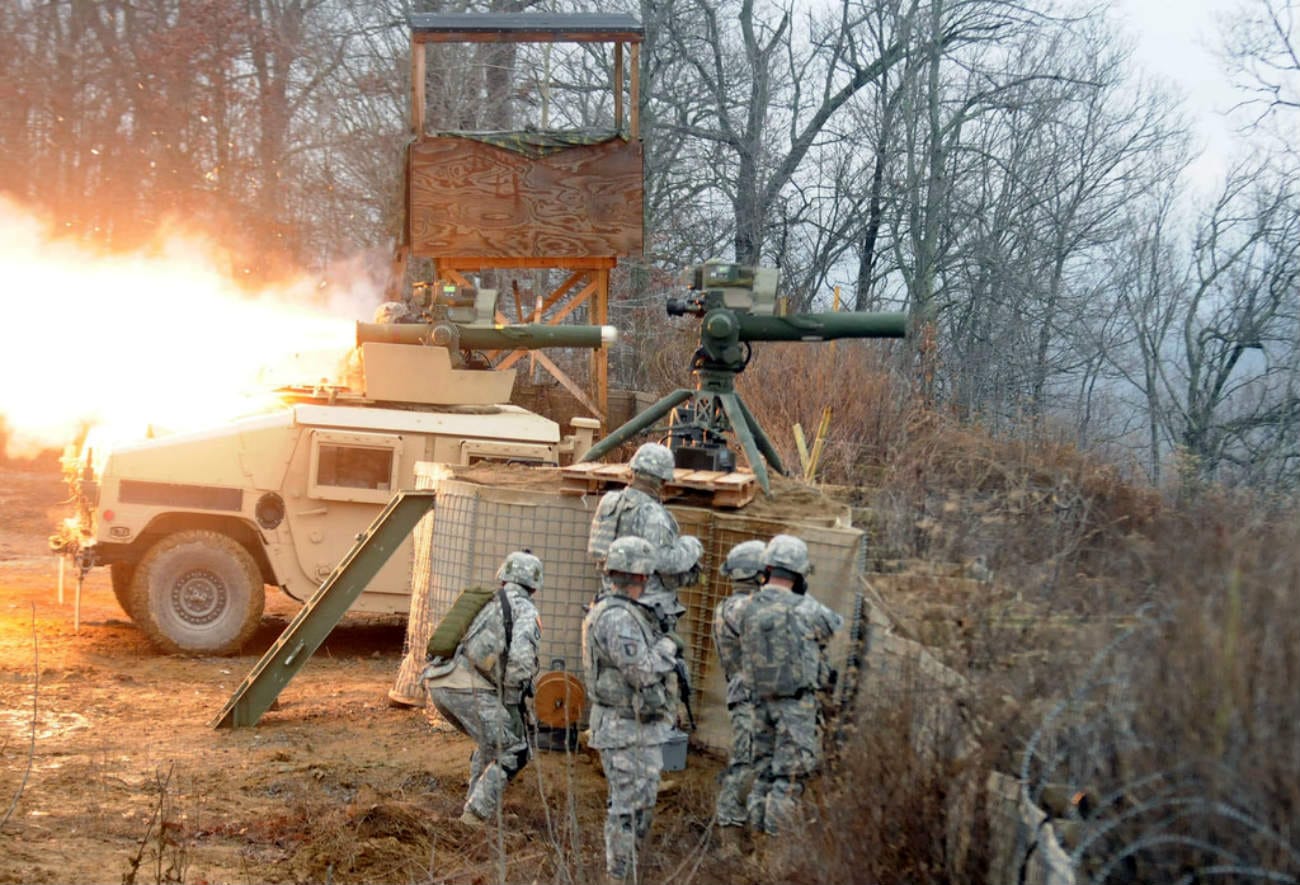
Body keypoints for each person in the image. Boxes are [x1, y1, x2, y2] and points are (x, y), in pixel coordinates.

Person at [582, 536, 681, 885]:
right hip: (624, 729)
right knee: (627, 811)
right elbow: (641, 672)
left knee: (638, 807)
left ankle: (628, 873)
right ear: (642, 575)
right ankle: (619, 877)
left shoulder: (621, 611)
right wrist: (669, 646)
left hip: (632, 727)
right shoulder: (617, 618)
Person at [423, 551, 543, 826]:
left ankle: (475, 807)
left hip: (441, 682)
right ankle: (474, 816)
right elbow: (521, 663)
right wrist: (513, 706)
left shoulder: (488, 602)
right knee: (515, 749)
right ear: (535, 586)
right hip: (469, 689)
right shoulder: (526, 611)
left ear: (503, 577)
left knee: (492, 743)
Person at [742, 534, 843, 837]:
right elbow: (833, 625)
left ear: (767, 568)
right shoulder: (806, 608)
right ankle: (776, 849)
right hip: (795, 707)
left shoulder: (748, 605)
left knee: (762, 774)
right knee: (788, 781)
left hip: (759, 701)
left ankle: (754, 842)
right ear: (799, 573)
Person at [587, 442, 702, 633]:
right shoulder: (654, 515)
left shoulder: (609, 502)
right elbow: (666, 562)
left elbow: (597, 553)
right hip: (647, 611)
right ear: (662, 481)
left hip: (610, 604)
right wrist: (692, 546)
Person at [710, 539, 768, 855]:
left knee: (751, 764)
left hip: (749, 697)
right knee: (745, 765)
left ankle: (741, 830)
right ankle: (731, 833)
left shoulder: (731, 607)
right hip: (750, 699)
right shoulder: (744, 609)